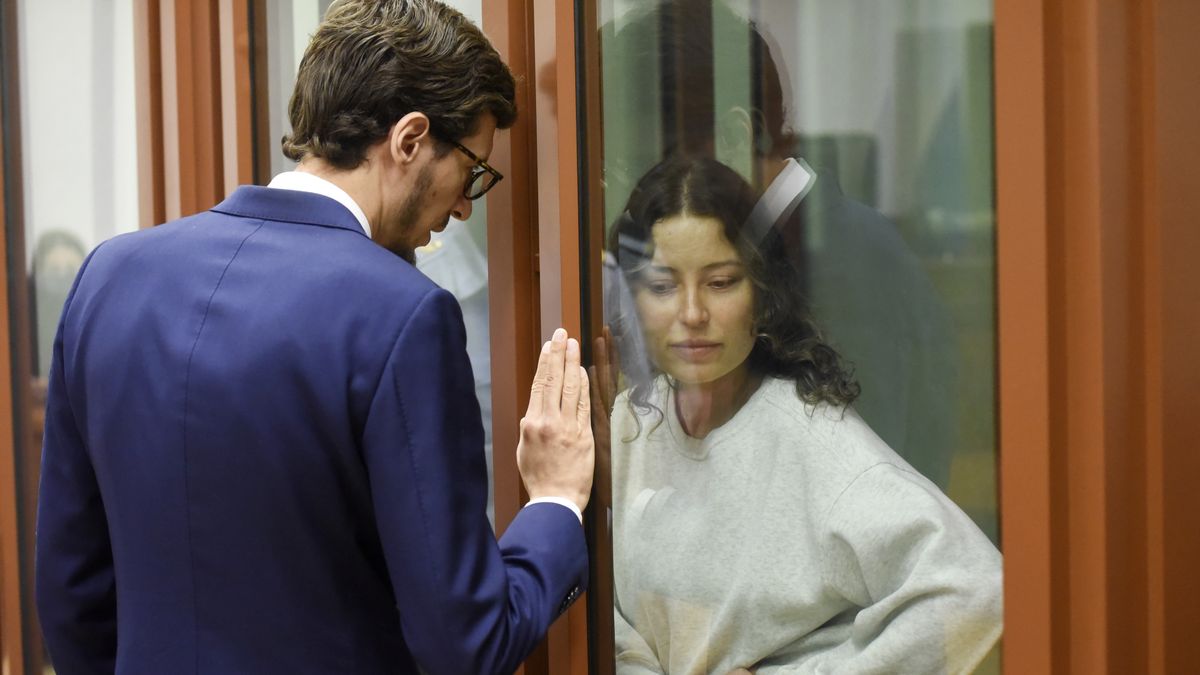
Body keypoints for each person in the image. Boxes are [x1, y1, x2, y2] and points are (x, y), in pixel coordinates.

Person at [34, 1, 594, 673]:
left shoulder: (109, 277)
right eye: (472, 169)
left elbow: (72, 594)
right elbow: (465, 641)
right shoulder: (404, 315)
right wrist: (557, 503)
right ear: (410, 139)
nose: (464, 205)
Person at [603, 157, 1001, 673]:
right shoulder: (633, 424)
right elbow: (611, 614)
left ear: (762, 292)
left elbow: (977, 589)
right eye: (662, 287)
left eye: (721, 282)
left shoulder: (815, 442)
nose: (693, 313)